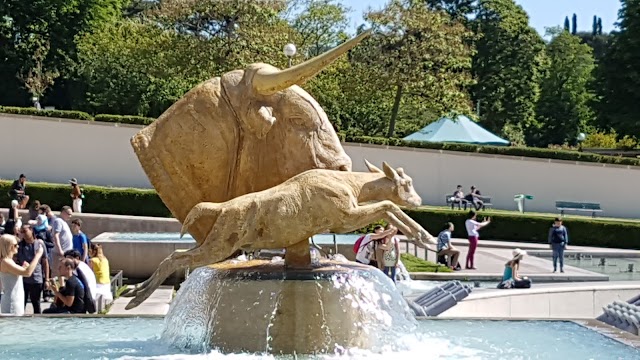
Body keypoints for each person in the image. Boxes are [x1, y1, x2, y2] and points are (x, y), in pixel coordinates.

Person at [0, 234, 44, 315]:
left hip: (15, 299)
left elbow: (21, 272)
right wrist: (38, 255)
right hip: (12, 302)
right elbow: (27, 273)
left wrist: (24, 267)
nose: (18, 247)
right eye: (15, 245)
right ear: (9, 246)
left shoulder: (9, 261)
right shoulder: (6, 261)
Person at [16, 224, 49, 314]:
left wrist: (47, 279)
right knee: (22, 302)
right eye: (21, 232)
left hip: (36, 278)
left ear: (31, 230)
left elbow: (45, 262)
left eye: (25, 231)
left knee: (36, 302)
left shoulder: (39, 243)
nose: (23, 234)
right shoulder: (19, 245)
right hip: (23, 279)